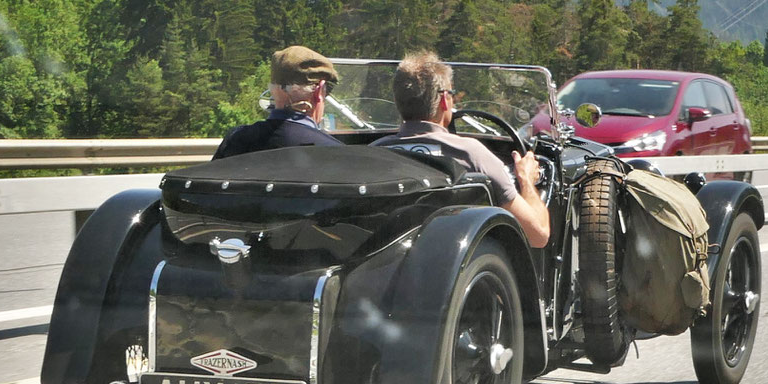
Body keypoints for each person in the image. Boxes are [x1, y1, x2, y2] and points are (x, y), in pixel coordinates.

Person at [373, 51, 552, 248]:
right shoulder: (471, 154)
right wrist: (526, 180)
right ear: (443, 100)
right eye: (450, 94)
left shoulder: (375, 154)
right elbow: (538, 235)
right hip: (455, 264)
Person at [213, 46, 347, 159]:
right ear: (319, 91)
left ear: (273, 90)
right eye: (327, 91)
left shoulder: (235, 139)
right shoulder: (333, 152)